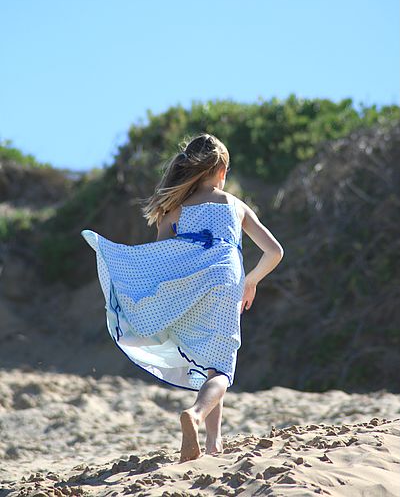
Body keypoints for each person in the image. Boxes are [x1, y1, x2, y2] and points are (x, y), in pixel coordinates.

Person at [81, 132, 284, 463]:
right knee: (220, 368)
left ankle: (215, 443)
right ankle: (197, 416)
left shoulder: (174, 208)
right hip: (228, 281)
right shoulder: (235, 205)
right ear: (221, 171)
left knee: (208, 363)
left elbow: (162, 255)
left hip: (191, 287)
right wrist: (252, 281)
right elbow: (275, 251)